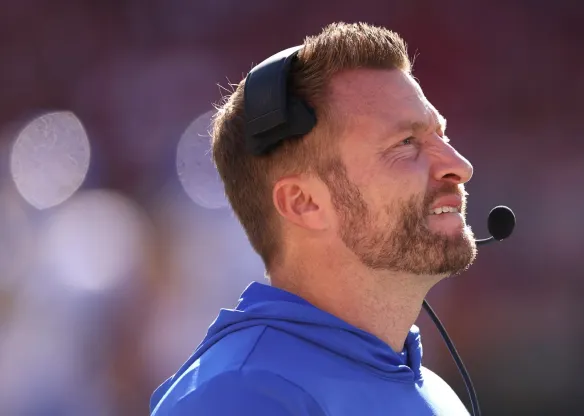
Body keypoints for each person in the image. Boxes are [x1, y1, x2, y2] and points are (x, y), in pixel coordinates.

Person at [150, 22, 478, 415]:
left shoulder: (435, 393)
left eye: (442, 137)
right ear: (303, 202)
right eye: (406, 144)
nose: (460, 166)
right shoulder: (242, 397)